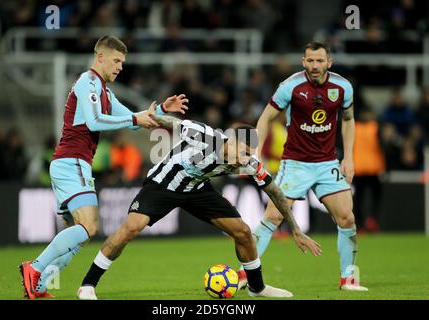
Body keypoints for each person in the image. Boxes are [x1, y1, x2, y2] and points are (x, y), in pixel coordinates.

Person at [76, 115, 322, 300]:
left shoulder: (250, 163)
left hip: (197, 189)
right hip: (164, 184)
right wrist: (155, 116)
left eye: (250, 154)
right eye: (244, 152)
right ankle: (87, 284)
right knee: (131, 228)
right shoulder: (207, 137)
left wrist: (296, 229)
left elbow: (276, 193)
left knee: (243, 232)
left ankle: (257, 288)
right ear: (231, 141)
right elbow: (175, 123)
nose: (245, 160)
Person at [19, 35, 188, 299]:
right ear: (100, 57)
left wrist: (159, 110)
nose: (120, 66)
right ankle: (35, 269)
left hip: (74, 164)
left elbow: (131, 120)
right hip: (71, 162)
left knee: (80, 234)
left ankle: (38, 285)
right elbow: (96, 121)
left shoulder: (104, 91)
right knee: (89, 227)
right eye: (116, 60)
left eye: (123, 62)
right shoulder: (88, 83)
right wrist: (134, 117)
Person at [240, 41, 368, 292]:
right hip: (295, 164)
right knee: (273, 216)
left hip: (327, 164)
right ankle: (245, 274)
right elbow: (265, 117)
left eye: (320, 61)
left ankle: (348, 278)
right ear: (303, 61)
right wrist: (255, 152)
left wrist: (349, 158)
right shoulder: (290, 86)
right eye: (310, 60)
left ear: (329, 62)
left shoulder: (342, 87)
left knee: (346, 217)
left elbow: (349, 120)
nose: (314, 65)